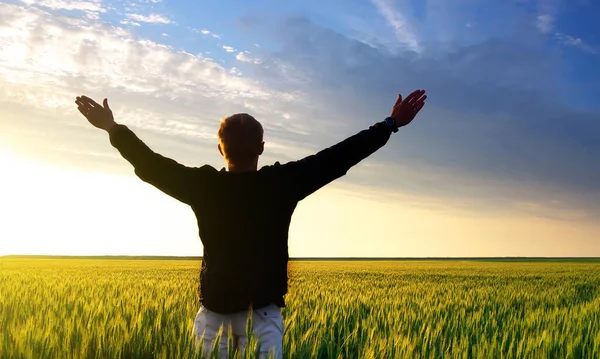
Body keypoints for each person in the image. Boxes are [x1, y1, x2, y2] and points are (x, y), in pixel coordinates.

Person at [74, 89, 427, 358]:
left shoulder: (204, 186)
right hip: (264, 320)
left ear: (220, 149)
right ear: (261, 148)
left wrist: (112, 128)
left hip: (214, 319)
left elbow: (150, 164)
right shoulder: (282, 183)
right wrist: (389, 124)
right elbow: (337, 157)